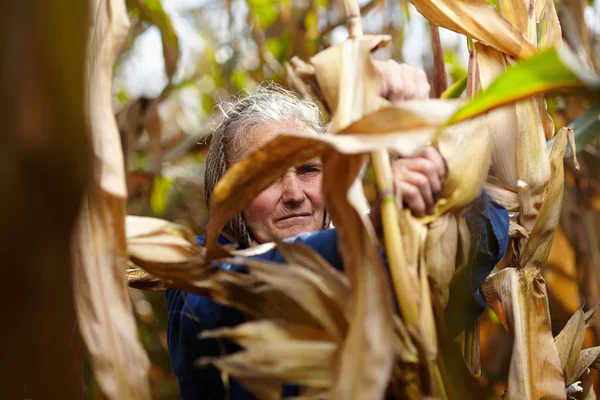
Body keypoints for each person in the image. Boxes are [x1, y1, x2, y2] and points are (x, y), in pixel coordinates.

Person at [165, 61, 509, 400]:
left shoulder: (386, 267)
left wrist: (424, 145)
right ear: (226, 194)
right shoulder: (193, 272)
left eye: (309, 169)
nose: (295, 195)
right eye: (266, 175)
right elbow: (237, 291)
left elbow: (477, 241)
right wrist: (369, 234)